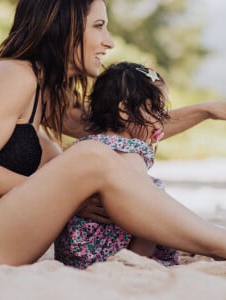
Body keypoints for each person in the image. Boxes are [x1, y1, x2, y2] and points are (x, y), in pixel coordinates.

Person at [0, 0, 226, 269]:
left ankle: (211, 237)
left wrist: (206, 111)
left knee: (85, 152)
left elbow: (126, 128)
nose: (108, 42)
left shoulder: (47, 93)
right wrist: (67, 197)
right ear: (63, 27)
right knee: (89, 155)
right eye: (99, 26)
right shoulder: (14, 76)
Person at [55, 62, 180, 269]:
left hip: (75, 251)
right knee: (154, 198)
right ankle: (136, 260)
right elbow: (147, 204)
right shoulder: (129, 150)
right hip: (106, 253)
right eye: (155, 110)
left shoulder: (89, 144)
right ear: (124, 111)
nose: (160, 120)